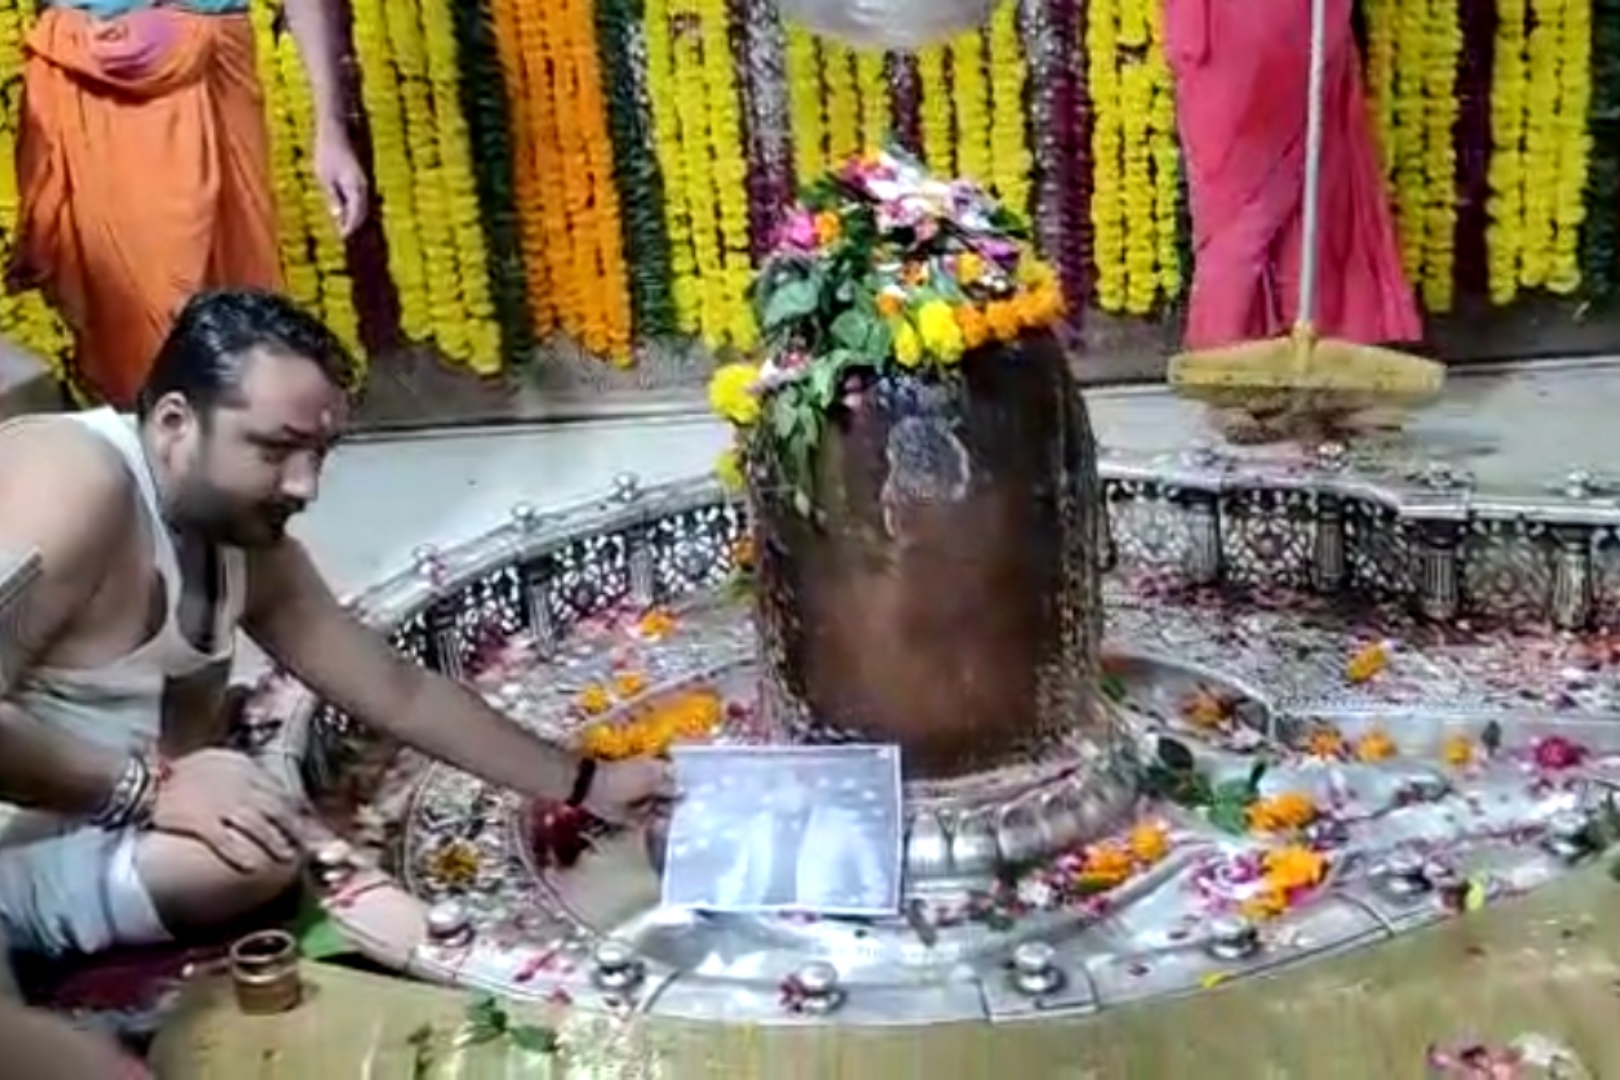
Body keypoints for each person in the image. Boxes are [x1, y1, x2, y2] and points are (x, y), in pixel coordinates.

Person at [0, 288, 672, 958]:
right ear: (176, 422)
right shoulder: (77, 480)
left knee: (258, 840)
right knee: (255, 851)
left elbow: (398, 693)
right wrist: (146, 793)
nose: (306, 485)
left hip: (107, 819)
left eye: (320, 453)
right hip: (42, 816)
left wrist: (590, 785)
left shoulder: (252, 549)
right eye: (276, 448)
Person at [9, 0, 368, 408]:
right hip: (84, 82)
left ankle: (228, 455)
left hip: (213, 73)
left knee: (231, 327)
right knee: (118, 321)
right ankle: (144, 454)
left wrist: (331, 132)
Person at [1165, 0, 1421, 435]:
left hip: (1311, 25)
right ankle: (1230, 377)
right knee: (1242, 209)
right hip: (1236, 39)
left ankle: (1326, 375)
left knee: (1321, 198)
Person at [712, 770, 891, 912]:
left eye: (794, 785)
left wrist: (853, 918)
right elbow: (735, 878)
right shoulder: (756, 826)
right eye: (781, 787)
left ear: (809, 789)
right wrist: (726, 915)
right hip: (761, 923)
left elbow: (876, 884)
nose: (788, 793)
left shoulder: (841, 825)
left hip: (822, 926)